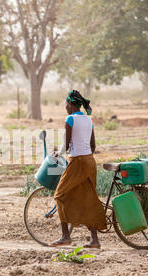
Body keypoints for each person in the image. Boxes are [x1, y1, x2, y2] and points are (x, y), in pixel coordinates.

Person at [51, 90, 107, 248]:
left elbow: (67, 145)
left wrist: (58, 153)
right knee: (88, 199)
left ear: (70, 104)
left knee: (59, 195)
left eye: (66, 104)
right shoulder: (89, 121)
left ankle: (65, 236)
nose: (65, 107)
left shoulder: (70, 119)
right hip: (90, 161)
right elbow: (93, 146)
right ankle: (94, 240)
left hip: (77, 162)